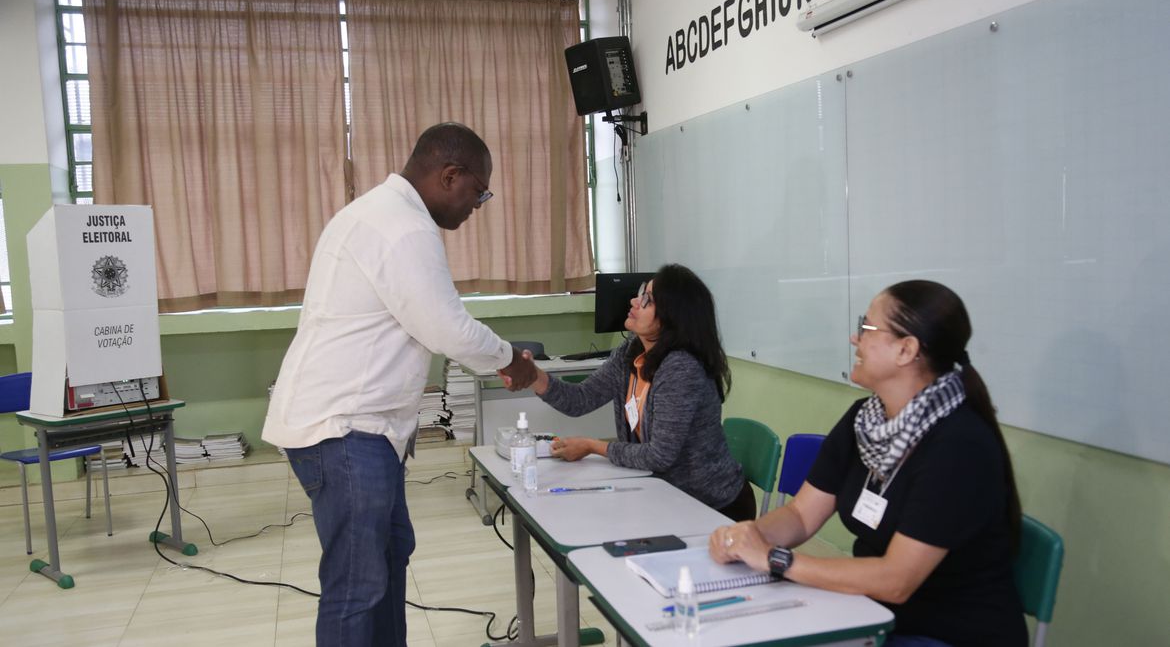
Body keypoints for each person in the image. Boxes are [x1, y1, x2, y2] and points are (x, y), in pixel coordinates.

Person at [262, 122, 538, 647]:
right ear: (449, 175)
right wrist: (511, 362)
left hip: (359, 430)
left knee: (389, 555)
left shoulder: (380, 213)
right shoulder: (403, 228)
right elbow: (445, 327)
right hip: (345, 430)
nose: (477, 205)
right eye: (478, 193)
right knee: (357, 584)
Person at [708, 280, 1026, 647]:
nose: (854, 339)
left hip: (943, 633)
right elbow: (800, 515)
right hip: (870, 613)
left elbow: (896, 580)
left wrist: (776, 560)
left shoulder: (959, 447)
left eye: (867, 328)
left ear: (906, 350)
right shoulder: (866, 419)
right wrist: (746, 538)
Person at [507, 263, 757, 521]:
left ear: (672, 317)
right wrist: (533, 375)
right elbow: (579, 400)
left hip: (712, 506)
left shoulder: (681, 368)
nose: (634, 301)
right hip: (665, 494)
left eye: (647, 301)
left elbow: (659, 456)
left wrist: (593, 446)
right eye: (641, 293)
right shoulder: (630, 354)